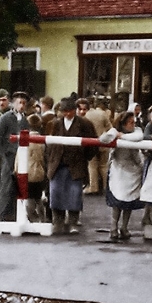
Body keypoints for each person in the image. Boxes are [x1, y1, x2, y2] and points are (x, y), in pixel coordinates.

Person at [45, 95, 98, 235]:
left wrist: (84, 158)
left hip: (75, 164)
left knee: (74, 194)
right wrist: (51, 158)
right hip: (58, 163)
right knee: (55, 193)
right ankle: (58, 221)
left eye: (70, 111)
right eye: (64, 111)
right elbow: (48, 143)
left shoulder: (85, 124)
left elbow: (93, 143)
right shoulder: (55, 123)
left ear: (75, 110)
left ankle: (73, 222)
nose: (67, 114)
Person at [103, 109, 145, 241]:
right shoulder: (114, 131)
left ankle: (124, 227)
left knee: (129, 202)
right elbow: (103, 139)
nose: (132, 125)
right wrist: (114, 133)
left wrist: (122, 136)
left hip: (133, 171)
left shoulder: (137, 132)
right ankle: (113, 227)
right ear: (123, 123)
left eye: (133, 122)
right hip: (119, 171)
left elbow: (138, 137)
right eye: (129, 123)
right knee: (118, 201)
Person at [0, 91, 32, 220]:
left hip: (21, 157)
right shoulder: (6, 118)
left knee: (19, 187)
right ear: (13, 103)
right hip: (8, 157)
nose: (22, 106)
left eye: (24, 103)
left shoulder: (25, 120)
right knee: (6, 187)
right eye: (19, 102)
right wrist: (5, 153)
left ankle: (16, 216)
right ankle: (2, 217)